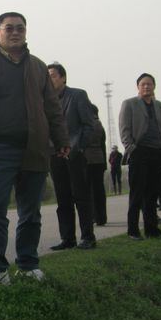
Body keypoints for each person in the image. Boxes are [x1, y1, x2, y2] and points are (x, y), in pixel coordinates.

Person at [0, 12, 69, 286]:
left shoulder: (37, 67)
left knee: (30, 212)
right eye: (8, 28)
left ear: (25, 32)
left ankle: (28, 265)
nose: (14, 33)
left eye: (20, 28)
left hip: (34, 149)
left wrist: (61, 140)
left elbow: (52, 108)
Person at [47, 63, 97, 250]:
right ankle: (68, 238)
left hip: (75, 154)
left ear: (63, 78)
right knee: (63, 199)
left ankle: (88, 237)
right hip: (54, 155)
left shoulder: (78, 95)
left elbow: (89, 125)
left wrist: (78, 148)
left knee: (81, 197)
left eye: (53, 75)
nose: (50, 80)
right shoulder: (44, 100)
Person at [118, 73, 161, 240]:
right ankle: (133, 230)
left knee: (152, 194)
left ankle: (152, 229)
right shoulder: (129, 104)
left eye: (149, 84)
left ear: (154, 86)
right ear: (138, 87)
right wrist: (131, 148)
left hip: (157, 152)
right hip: (139, 152)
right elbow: (124, 129)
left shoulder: (160, 106)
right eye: (143, 84)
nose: (146, 87)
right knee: (137, 193)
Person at [84, 104, 108, 226]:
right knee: (99, 189)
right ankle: (101, 216)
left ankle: (92, 216)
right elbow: (103, 144)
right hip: (99, 159)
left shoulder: (86, 124)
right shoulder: (99, 125)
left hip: (87, 159)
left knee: (88, 190)